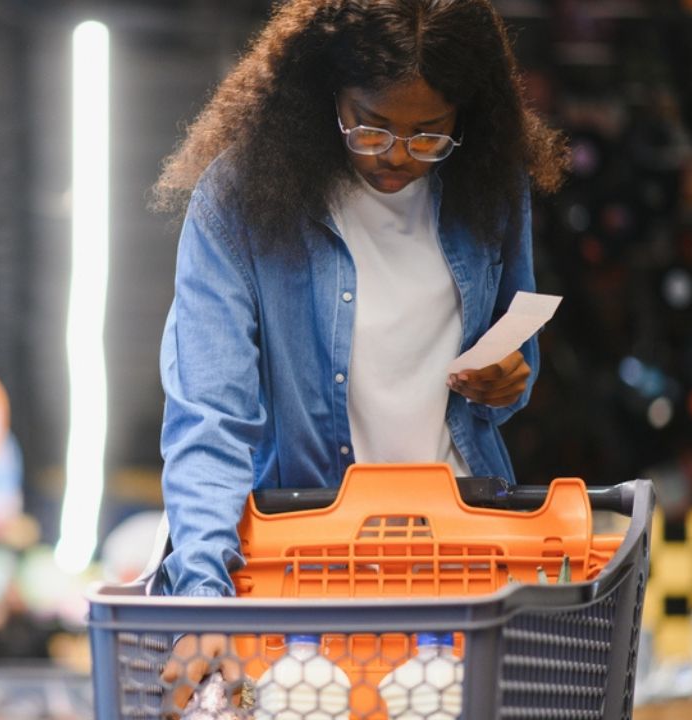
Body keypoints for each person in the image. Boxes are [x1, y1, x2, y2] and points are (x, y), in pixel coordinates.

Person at [149, 0, 570, 712]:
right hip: (306, 569)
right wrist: (202, 598)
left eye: (429, 135)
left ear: (468, 116)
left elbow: (511, 352)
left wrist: (509, 378)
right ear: (324, 95)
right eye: (369, 126)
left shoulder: (488, 186)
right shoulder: (241, 199)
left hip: (462, 561)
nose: (398, 155)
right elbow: (208, 418)